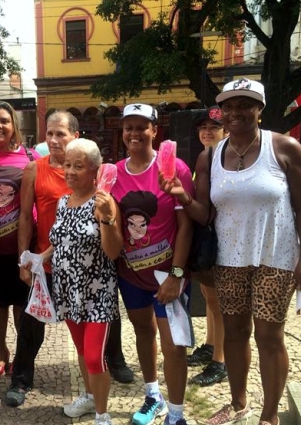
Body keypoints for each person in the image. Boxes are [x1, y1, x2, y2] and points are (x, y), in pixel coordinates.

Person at [161, 78, 301, 425]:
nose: (235, 113)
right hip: (228, 261)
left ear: (259, 109)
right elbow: (205, 213)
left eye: (245, 104)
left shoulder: (285, 148)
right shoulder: (211, 156)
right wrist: (182, 197)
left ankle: (270, 414)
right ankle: (239, 403)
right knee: (234, 333)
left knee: (269, 336)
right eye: (228, 106)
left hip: (275, 258)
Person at [5, 111, 132, 408]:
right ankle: (30, 382)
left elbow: (112, 245)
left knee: (96, 341)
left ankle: (107, 390)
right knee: (41, 327)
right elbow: (39, 226)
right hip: (60, 275)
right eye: (49, 133)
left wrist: (109, 218)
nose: (53, 139)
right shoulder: (46, 182)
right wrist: (30, 258)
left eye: (60, 133)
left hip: (93, 279)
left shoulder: (98, 190)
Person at [112, 103, 193, 425]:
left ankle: (176, 414)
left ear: (154, 131)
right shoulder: (114, 172)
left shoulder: (173, 169)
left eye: (141, 127)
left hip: (168, 275)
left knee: (174, 346)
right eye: (128, 127)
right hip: (130, 275)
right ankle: (153, 396)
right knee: (143, 332)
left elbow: (187, 227)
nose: (134, 133)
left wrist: (176, 276)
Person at [42, 138, 123, 425]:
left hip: (97, 292)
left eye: (79, 166)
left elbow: (113, 251)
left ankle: (103, 415)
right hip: (68, 290)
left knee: (93, 357)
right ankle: (89, 398)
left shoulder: (104, 203)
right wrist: (40, 257)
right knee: (80, 349)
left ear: (95, 171)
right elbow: (62, 241)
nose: (71, 171)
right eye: (67, 165)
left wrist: (108, 219)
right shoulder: (63, 202)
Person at [0, 101, 41, 379]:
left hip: (23, 247)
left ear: (14, 125)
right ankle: (0, 350)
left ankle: (21, 353)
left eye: (4, 121)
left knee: (21, 303)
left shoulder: (30, 156)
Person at [186, 107, 228, 387]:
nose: (207, 131)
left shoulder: (223, 159)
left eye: (214, 126)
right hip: (206, 239)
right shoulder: (206, 158)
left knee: (219, 302)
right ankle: (211, 345)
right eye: (203, 127)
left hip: (220, 239)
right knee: (209, 297)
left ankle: (221, 361)